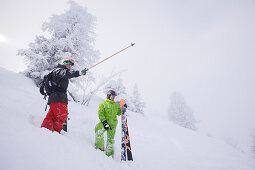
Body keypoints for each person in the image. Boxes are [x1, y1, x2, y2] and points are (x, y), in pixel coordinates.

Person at [41, 59, 87, 133]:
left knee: (51, 117)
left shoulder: (56, 71)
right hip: (58, 98)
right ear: (64, 64)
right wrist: (79, 73)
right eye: (68, 64)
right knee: (61, 116)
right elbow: (68, 74)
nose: (69, 66)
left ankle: (44, 132)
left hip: (54, 99)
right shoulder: (60, 70)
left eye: (70, 65)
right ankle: (56, 134)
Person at [94, 90, 126, 157]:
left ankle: (109, 154)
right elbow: (100, 113)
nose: (114, 97)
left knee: (111, 139)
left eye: (114, 96)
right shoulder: (103, 104)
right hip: (105, 122)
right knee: (98, 129)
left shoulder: (115, 105)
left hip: (113, 124)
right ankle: (100, 147)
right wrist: (105, 123)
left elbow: (119, 113)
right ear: (108, 95)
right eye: (112, 95)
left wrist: (123, 108)